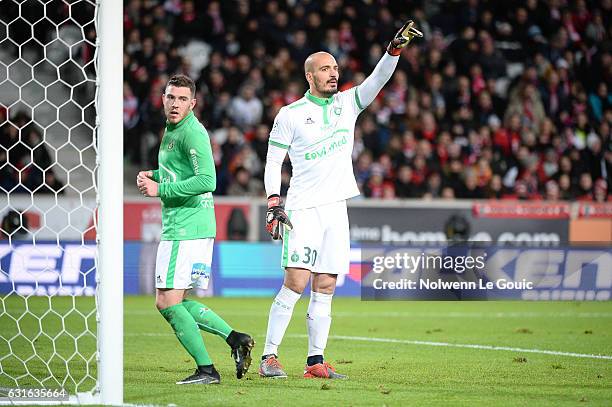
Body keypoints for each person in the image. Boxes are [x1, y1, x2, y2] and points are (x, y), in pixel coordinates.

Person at [260, 21, 423, 379]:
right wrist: (274, 202)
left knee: (326, 285)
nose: (333, 73)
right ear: (309, 76)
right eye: (325, 69)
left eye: (335, 68)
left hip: (337, 209)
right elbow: (273, 161)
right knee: (296, 282)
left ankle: (314, 361)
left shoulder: (347, 104)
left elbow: (376, 82)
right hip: (303, 209)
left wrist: (392, 51)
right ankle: (269, 356)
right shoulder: (289, 115)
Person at [137, 74, 254, 385]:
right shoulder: (172, 130)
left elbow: (207, 181)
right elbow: (178, 170)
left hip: (185, 228)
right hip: (190, 227)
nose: (175, 104)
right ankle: (235, 338)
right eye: (171, 97)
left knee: (166, 302)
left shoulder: (193, 133)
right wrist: (154, 173)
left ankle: (207, 370)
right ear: (162, 99)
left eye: (182, 99)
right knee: (177, 301)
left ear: (193, 103)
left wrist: (159, 189)